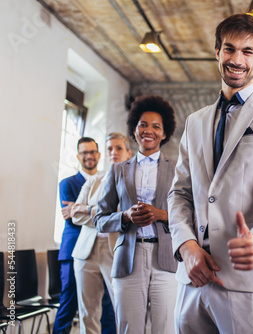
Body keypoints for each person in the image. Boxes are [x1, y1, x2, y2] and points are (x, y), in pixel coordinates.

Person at [167, 13, 253, 334]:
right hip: (192, 280)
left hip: (246, 280)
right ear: (217, 52)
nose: (237, 59)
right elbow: (180, 193)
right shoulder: (195, 121)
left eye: (247, 52)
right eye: (229, 49)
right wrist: (186, 246)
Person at [94, 96, 177, 334]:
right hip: (128, 258)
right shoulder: (118, 170)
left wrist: (162, 214)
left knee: (166, 328)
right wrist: (125, 216)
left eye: (156, 126)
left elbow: (192, 215)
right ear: (134, 129)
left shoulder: (178, 169)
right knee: (129, 328)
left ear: (164, 133)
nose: (148, 130)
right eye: (143, 124)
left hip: (167, 259)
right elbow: (100, 219)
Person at [69, 133, 132, 333]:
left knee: (122, 308)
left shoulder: (134, 181)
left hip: (116, 250)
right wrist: (108, 214)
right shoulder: (94, 180)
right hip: (85, 252)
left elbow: (127, 215)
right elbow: (75, 216)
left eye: (118, 148)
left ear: (129, 152)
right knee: (88, 312)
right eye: (109, 149)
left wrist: (88, 209)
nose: (113, 152)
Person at [55, 137, 116, 334]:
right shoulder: (68, 183)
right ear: (78, 156)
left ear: (98, 155)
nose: (89, 156)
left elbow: (113, 213)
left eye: (92, 152)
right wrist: (104, 214)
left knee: (106, 306)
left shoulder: (107, 180)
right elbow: (71, 219)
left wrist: (83, 209)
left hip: (105, 250)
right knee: (69, 302)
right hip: (75, 249)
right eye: (84, 153)